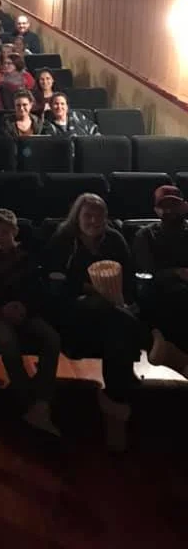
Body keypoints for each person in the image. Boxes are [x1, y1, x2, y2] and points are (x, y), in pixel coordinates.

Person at [43, 194, 143, 451]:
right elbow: (55, 285)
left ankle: (115, 405)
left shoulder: (115, 240)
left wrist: (123, 299)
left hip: (112, 315)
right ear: (77, 216)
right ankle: (118, 404)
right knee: (119, 320)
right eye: (88, 215)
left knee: (117, 326)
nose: (94, 220)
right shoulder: (64, 240)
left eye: (99, 215)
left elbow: (129, 280)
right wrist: (90, 288)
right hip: (74, 312)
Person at [0, 209, 61, 435]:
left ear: (15, 232)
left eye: (5, 232)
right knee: (8, 342)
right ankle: (28, 400)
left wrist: (24, 306)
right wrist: (0, 309)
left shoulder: (27, 258)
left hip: (25, 311)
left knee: (51, 338)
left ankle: (43, 399)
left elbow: (38, 291)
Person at [134, 185, 188, 374]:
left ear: (185, 207)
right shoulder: (145, 235)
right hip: (159, 292)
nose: (170, 210)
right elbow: (147, 273)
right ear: (156, 210)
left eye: (175, 205)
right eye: (164, 206)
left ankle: (169, 351)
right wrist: (176, 273)